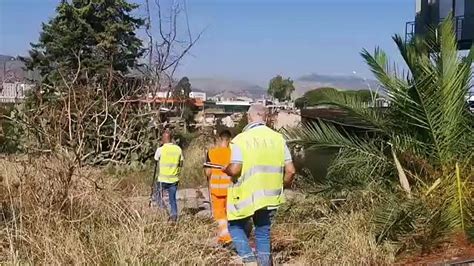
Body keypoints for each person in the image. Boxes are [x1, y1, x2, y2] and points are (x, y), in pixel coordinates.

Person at [223, 104, 296, 266]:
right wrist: (282, 187)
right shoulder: (278, 139)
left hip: (245, 196)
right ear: (266, 117)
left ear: (249, 118)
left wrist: (226, 170)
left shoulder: (240, 140)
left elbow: (235, 169)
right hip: (270, 196)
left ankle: (249, 261)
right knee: (263, 232)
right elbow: (290, 171)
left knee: (235, 227)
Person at [204, 130, 233, 246]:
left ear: (219, 139)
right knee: (230, 214)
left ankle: (225, 238)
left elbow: (208, 173)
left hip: (216, 189)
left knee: (219, 215)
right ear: (229, 140)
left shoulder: (211, 153)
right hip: (230, 189)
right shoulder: (233, 153)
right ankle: (229, 236)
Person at [154, 130, 183, 222]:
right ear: (171, 139)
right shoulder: (178, 149)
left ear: (163, 139)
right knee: (172, 198)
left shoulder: (160, 149)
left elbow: (156, 159)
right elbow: (181, 162)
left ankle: (163, 210)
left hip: (162, 179)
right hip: (174, 178)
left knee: (157, 195)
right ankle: (174, 215)